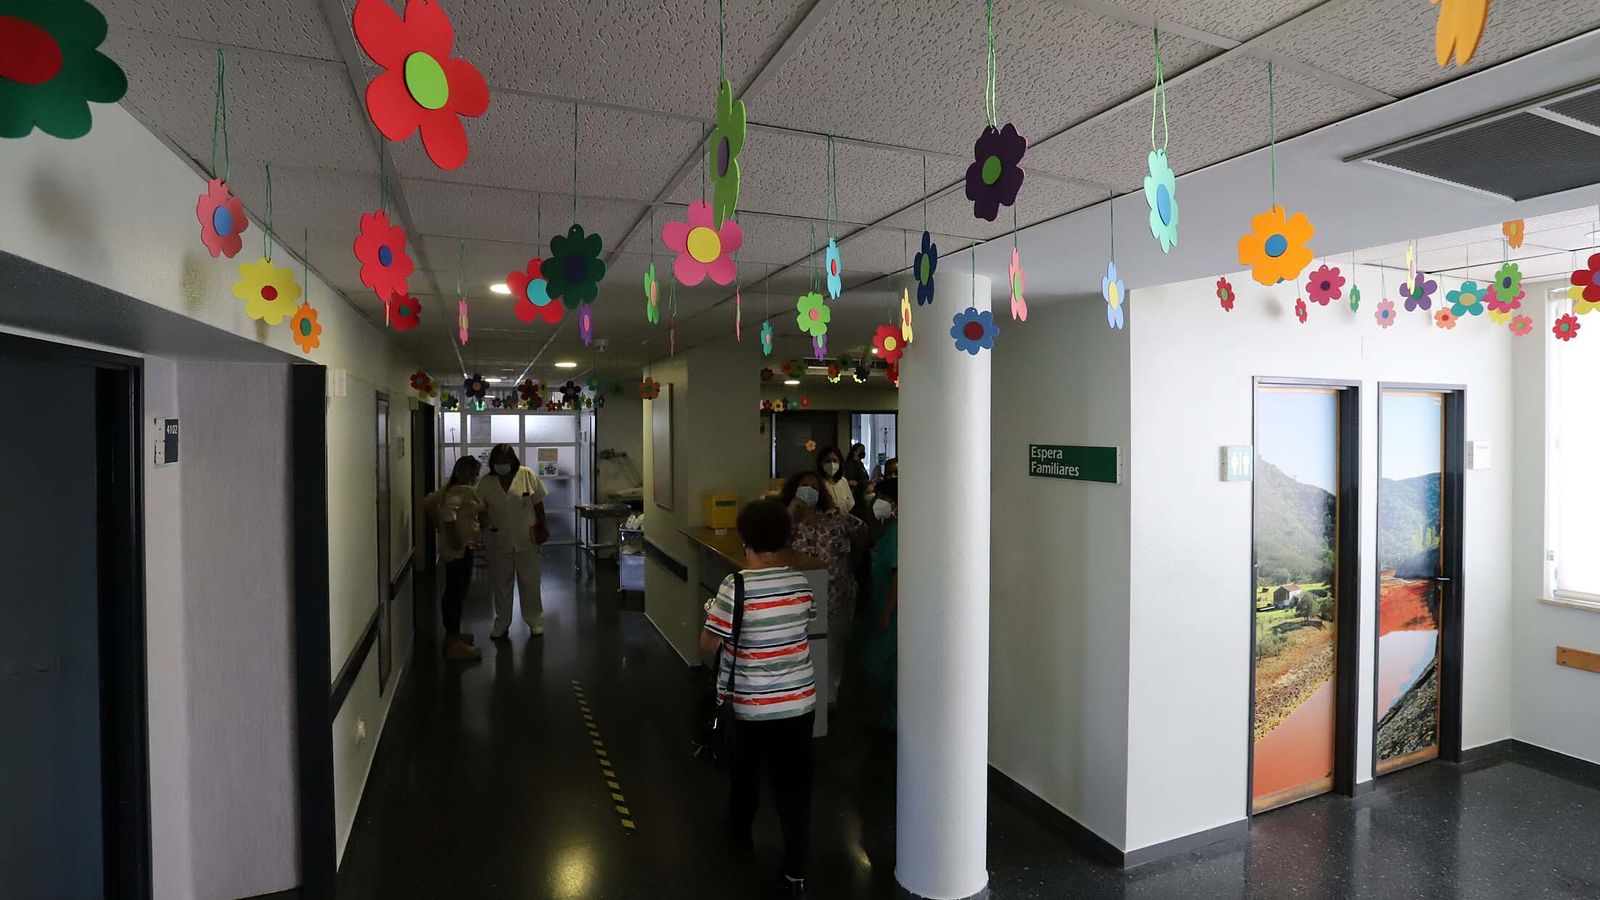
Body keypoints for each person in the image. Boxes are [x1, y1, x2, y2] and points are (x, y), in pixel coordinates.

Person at [700, 499, 816, 895]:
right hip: (799, 705)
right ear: (784, 539)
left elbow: (708, 645)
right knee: (794, 787)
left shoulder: (738, 586)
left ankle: (739, 840)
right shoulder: (801, 583)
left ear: (745, 539)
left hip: (750, 706)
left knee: (745, 777)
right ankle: (795, 869)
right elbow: (799, 627)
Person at [781, 470, 866, 705]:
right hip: (799, 599)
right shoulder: (787, 520)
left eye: (816, 487)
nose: (810, 491)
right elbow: (773, 543)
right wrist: (790, 513)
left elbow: (862, 531)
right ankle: (802, 700)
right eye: (804, 486)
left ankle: (828, 701)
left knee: (832, 651)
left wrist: (852, 562)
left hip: (838, 593)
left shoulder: (836, 517)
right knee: (802, 651)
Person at [476, 444, 549, 638]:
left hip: (527, 539)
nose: (501, 466)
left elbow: (538, 503)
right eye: (497, 462)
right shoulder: (486, 482)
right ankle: (502, 623)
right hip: (498, 539)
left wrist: (543, 527)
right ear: (492, 463)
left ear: (512, 461)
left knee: (530, 582)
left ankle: (534, 620)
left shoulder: (526, 475)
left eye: (504, 462)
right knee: (501, 585)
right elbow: (480, 508)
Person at [422, 456, 486, 660]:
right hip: (460, 549)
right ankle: (453, 643)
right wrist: (452, 535)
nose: (477, 477)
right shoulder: (462, 491)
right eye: (475, 473)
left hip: (452, 550)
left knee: (453, 592)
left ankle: (454, 635)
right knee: (456, 594)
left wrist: (437, 525)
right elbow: (450, 512)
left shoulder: (447, 489)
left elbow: (427, 503)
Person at [860, 478, 899, 729]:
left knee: (879, 663)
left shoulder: (898, 533)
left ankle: (894, 719)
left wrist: (887, 611)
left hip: (892, 611)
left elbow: (899, 574)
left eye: (884, 497)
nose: (879, 502)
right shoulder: (888, 529)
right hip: (881, 604)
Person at [816, 445, 854, 515]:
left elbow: (850, 505)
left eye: (835, 460)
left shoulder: (843, 481)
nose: (832, 464)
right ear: (821, 463)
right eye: (828, 461)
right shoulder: (817, 483)